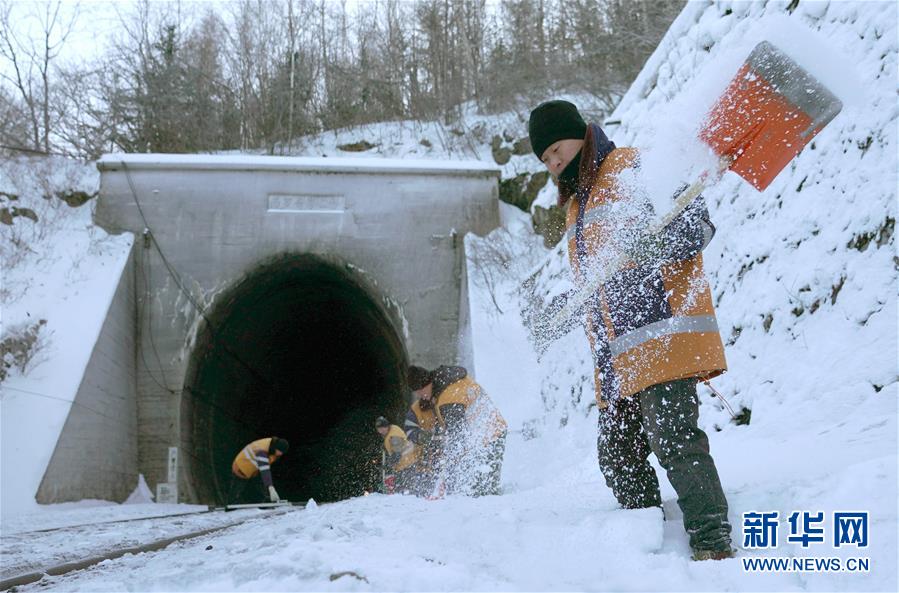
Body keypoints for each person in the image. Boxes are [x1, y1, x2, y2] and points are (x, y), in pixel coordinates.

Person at [527, 99, 734, 560]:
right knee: (618, 457)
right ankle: (646, 545)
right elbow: (598, 284)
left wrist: (658, 242)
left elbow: (697, 226)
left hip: (663, 337)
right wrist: (567, 306)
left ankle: (712, 542)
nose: (553, 162)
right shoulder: (577, 203)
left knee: (676, 443)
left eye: (556, 149)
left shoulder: (635, 166)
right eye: (544, 159)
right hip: (617, 358)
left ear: (580, 134)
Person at [407, 365, 506, 496]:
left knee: (483, 489)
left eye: (420, 391)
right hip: (485, 435)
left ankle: (495, 510)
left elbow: (457, 438)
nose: (420, 396)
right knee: (476, 485)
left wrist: (446, 467)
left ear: (427, 383)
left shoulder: (449, 398)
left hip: (489, 437)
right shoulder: (448, 385)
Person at [228, 436, 289, 504]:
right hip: (241, 466)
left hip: (254, 468)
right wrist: (271, 487)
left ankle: (264, 499)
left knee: (260, 483)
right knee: (238, 486)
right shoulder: (262, 451)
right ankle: (232, 502)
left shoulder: (272, 446)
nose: (281, 454)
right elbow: (265, 471)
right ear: (276, 448)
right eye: (280, 452)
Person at [375, 416, 424, 495]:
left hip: (407, 461)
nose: (381, 431)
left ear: (387, 426)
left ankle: (415, 494)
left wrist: (388, 464)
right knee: (409, 483)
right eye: (379, 429)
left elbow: (397, 453)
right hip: (408, 459)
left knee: (408, 483)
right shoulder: (392, 429)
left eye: (383, 428)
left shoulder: (393, 437)